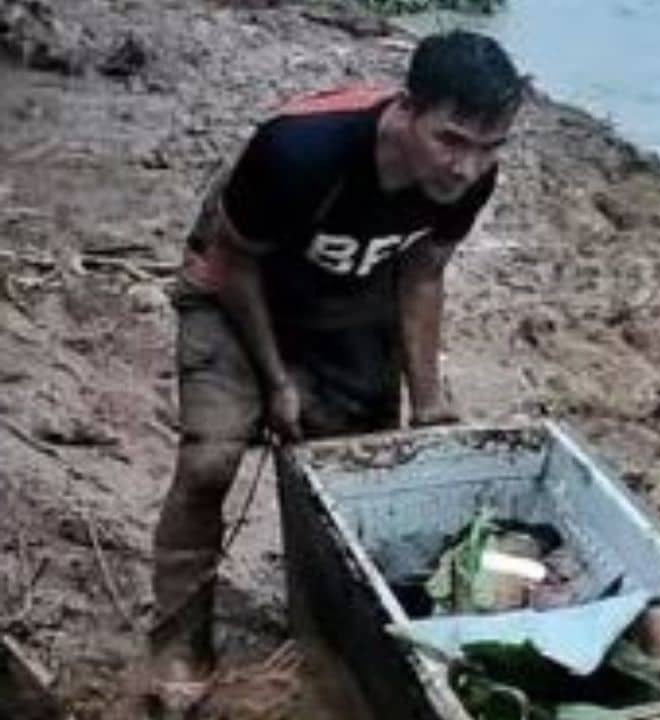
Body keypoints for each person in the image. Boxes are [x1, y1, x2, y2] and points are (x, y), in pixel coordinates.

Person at [148, 31, 525, 691]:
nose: (465, 167)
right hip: (239, 287)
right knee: (209, 461)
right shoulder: (300, 150)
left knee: (358, 472)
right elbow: (234, 263)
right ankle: (180, 640)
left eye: (489, 147)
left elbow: (423, 272)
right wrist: (276, 382)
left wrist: (428, 400)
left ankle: (328, 625)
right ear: (407, 108)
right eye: (451, 140)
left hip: (350, 297)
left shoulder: (470, 179)